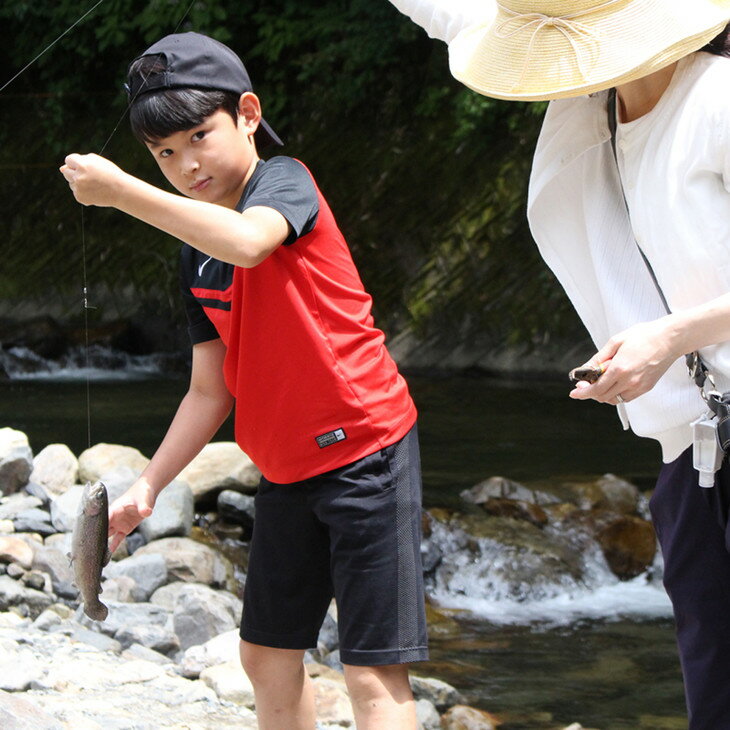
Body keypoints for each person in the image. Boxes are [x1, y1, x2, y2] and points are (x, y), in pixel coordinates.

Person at [60, 31, 428, 730]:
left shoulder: (283, 181)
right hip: (285, 470)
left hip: (367, 453)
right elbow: (210, 389)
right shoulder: (193, 252)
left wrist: (120, 192)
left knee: (372, 673)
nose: (186, 164)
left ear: (248, 115)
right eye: (163, 154)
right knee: (264, 655)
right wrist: (148, 484)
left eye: (199, 136)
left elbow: (251, 242)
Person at [386, 1, 730, 728]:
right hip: (694, 456)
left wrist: (670, 337)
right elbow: (450, 11)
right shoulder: (593, 108)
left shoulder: (716, 101)